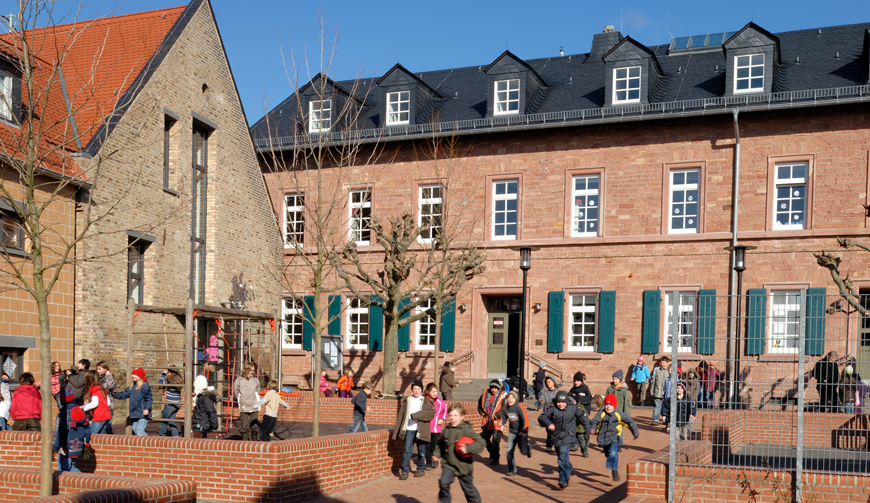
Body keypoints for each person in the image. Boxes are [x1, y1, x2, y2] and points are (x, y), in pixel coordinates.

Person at [431, 403, 485, 503]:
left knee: (468, 490)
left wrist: (468, 448)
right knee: (443, 482)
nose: (452, 418)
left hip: (463, 465)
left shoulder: (466, 430)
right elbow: (440, 443)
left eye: (455, 415)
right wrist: (436, 453)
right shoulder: (446, 430)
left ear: (462, 417)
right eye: (450, 415)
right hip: (449, 464)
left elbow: (481, 442)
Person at [537, 390, 591, 489]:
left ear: (566, 401)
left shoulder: (573, 408)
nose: (561, 404)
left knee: (562, 455)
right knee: (561, 458)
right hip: (556, 437)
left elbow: (583, 418)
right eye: (558, 402)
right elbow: (541, 417)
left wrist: (587, 431)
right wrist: (549, 423)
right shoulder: (552, 408)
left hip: (568, 436)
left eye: (563, 402)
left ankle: (563, 480)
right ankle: (569, 468)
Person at [590, 393, 640, 482]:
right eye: (606, 405)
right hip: (603, 438)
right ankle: (612, 464)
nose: (608, 407)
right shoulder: (601, 414)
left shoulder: (618, 415)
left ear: (614, 406)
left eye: (610, 405)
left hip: (613, 437)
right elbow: (594, 421)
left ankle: (614, 470)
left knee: (613, 453)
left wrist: (635, 432)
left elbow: (629, 421)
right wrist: (593, 429)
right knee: (608, 454)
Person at [392, 380, 434, 480]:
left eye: (418, 389)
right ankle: (404, 471)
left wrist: (415, 416)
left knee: (421, 450)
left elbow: (430, 414)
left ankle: (420, 468)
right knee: (407, 450)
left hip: (421, 429)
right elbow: (401, 416)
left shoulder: (426, 401)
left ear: (421, 390)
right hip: (409, 428)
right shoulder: (407, 400)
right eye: (414, 389)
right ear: (412, 390)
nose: (416, 391)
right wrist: (398, 431)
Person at [53, 386, 90, 472]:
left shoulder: (62, 415)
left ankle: (81, 482)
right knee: (71, 467)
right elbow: (87, 428)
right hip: (78, 445)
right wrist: (86, 442)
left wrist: (55, 446)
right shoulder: (80, 412)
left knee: (62, 470)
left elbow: (59, 433)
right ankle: (82, 480)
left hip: (66, 447)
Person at [496, 390, 530, 476]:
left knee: (524, 451)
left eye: (512, 397)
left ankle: (528, 448)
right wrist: (501, 423)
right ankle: (512, 469)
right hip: (512, 433)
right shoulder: (506, 409)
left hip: (521, 433)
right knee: (509, 452)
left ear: (516, 399)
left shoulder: (518, 408)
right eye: (509, 397)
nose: (510, 399)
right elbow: (504, 418)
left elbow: (525, 419)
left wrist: (524, 431)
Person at [114, 368, 152, 436]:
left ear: (140, 376)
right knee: (134, 428)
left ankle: (149, 443)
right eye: (132, 374)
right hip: (135, 412)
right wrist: (114, 394)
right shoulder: (132, 387)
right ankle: (142, 444)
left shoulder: (145, 387)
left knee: (139, 430)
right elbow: (124, 394)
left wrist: (147, 409)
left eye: (135, 374)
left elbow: (149, 399)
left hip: (143, 413)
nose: (133, 376)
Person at [477, 379, 507, 465]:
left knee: (495, 440)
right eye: (492, 388)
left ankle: (496, 458)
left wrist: (499, 414)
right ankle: (492, 453)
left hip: (497, 421)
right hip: (487, 420)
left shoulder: (502, 396)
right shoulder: (486, 394)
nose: (493, 389)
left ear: (498, 388)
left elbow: (505, 407)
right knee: (484, 438)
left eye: (495, 388)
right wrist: (481, 411)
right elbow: (479, 403)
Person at [233, 363, 261, 441]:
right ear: (246, 370)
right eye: (250, 370)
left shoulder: (255, 380)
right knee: (244, 425)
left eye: (253, 370)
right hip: (244, 405)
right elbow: (236, 391)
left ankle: (254, 441)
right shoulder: (239, 380)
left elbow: (257, 391)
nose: (252, 372)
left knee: (254, 425)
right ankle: (245, 441)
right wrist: (240, 399)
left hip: (254, 405)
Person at [605, 369, 631, 451]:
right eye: (613, 378)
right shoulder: (610, 389)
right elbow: (605, 401)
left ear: (620, 379)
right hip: (610, 412)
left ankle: (619, 444)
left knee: (619, 429)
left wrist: (626, 415)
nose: (614, 380)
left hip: (619, 413)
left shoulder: (624, 390)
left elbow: (626, 403)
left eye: (616, 379)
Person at [425, 383, 448, 470]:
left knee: (435, 445)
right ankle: (428, 462)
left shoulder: (441, 402)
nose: (434, 393)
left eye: (436, 391)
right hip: (426, 428)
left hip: (436, 428)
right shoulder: (424, 401)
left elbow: (445, 411)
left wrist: (442, 418)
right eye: (432, 391)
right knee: (427, 446)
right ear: (428, 392)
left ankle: (435, 460)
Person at [81, 370, 112, 435]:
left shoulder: (93, 388)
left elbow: (95, 403)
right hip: (107, 415)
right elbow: (108, 402)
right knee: (100, 438)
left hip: (99, 417)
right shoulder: (103, 388)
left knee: (92, 437)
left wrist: (83, 407)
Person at [537, 375, 560, 452]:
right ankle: (548, 445)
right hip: (547, 413)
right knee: (549, 430)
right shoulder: (545, 392)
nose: (548, 384)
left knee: (556, 430)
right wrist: (541, 401)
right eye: (547, 383)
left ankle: (556, 443)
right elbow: (541, 397)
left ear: (553, 382)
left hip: (556, 413)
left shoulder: (558, 392)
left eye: (549, 382)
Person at [158, 368, 183, 437]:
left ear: (171, 373)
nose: (168, 373)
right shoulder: (179, 381)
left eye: (169, 372)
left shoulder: (169, 381)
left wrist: (163, 374)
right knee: (171, 420)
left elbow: (160, 383)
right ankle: (176, 435)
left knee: (163, 419)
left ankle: (161, 435)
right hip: (177, 403)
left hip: (170, 404)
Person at [96, 362, 117, 433]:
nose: (98, 371)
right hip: (99, 404)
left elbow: (111, 386)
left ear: (105, 369)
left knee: (108, 425)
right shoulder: (97, 378)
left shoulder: (109, 377)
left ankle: (111, 437)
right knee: (101, 426)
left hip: (108, 405)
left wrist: (108, 375)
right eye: (97, 369)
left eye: (99, 369)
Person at [649, 357, 670, 424]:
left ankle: (666, 419)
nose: (662, 364)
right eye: (661, 362)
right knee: (657, 406)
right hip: (657, 392)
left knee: (666, 407)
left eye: (664, 362)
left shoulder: (669, 371)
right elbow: (653, 381)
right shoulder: (657, 371)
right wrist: (652, 390)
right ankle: (655, 419)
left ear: (667, 363)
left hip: (667, 393)